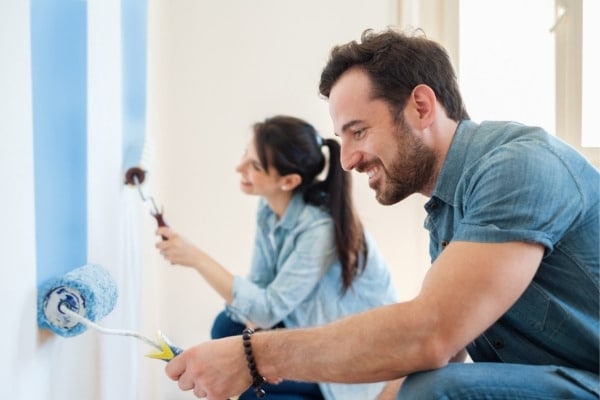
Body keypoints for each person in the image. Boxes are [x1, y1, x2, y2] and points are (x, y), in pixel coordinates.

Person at [163, 28, 600, 400]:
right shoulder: (446, 212)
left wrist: (254, 354)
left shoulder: (519, 166)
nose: (348, 160)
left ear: (421, 107)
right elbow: (448, 345)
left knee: (433, 391)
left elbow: (431, 334)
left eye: (359, 132)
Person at [155, 115, 399, 399]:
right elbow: (260, 287)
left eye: (255, 165)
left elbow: (267, 310)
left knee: (248, 384)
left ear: (288, 181)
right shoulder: (269, 209)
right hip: (308, 325)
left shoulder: (320, 230)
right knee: (227, 327)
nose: (239, 167)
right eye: (246, 153)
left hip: (348, 355)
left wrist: (195, 258)